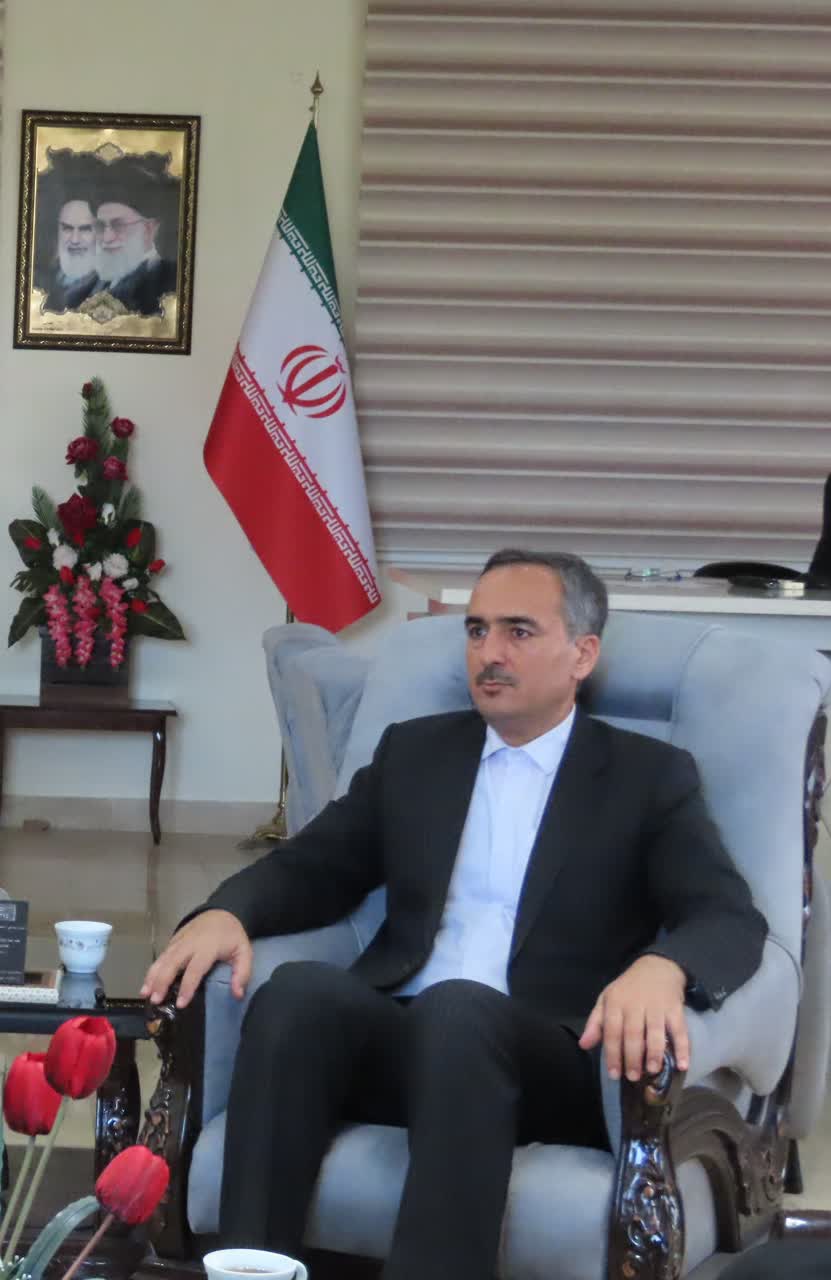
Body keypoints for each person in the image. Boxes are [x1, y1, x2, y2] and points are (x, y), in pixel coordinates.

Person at [142, 549, 768, 1280]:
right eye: (475, 631)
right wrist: (226, 912)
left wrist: (664, 966)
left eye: (518, 632)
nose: (488, 653)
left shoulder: (644, 775)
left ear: (582, 654)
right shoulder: (417, 755)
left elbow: (727, 915)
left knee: (460, 1010)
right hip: (404, 1036)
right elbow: (314, 866)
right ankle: (251, 1271)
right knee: (298, 994)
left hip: (547, 1058)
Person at [90, 154, 179, 316]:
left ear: (150, 229)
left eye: (119, 225)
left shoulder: (167, 283)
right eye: (101, 226)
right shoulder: (93, 285)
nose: (107, 238)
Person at [42, 198, 101, 311]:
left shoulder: (108, 286)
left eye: (85, 229)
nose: (75, 240)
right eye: (67, 228)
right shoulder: (40, 279)